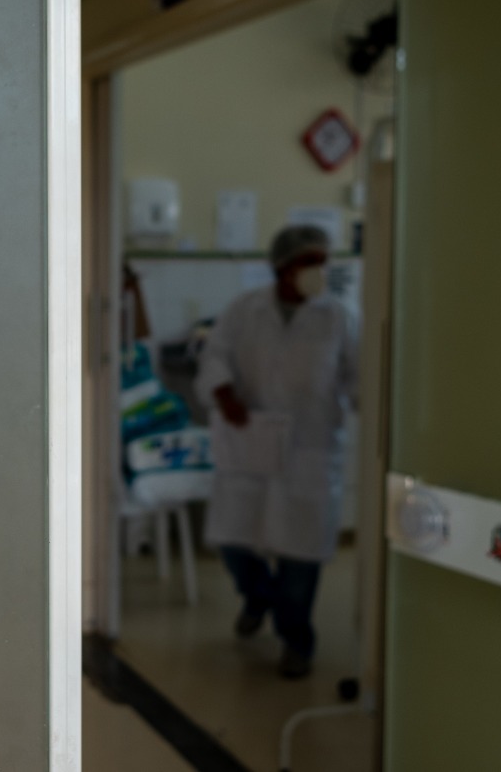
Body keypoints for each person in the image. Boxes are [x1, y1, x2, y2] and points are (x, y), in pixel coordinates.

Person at [194, 224, 358, 679]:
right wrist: (223, 393)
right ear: (283, 267)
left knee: (300, 560)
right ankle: (257, 596)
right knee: (233, 542)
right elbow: (214, 356)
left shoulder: (340, 316)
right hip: (250, 441)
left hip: (310, 450)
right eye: (309, 262)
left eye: (323, 262)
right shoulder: (245, 309)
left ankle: (296, 641)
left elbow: (361, 378)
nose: (318, 271)